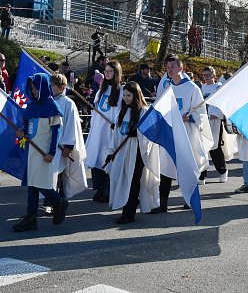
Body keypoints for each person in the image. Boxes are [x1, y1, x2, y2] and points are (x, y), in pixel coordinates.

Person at [151, 54, 212, 213]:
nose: (169, 70)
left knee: (187, 168)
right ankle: (162, 203)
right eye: (168, 67)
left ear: (181, 68)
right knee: (166, 167)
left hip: (186, 134)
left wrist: (190, 117)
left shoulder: (192, 88)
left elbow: (201, 112)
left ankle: (190, 200)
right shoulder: (167, 88)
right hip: (170, 133)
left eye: (173, 66)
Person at [12, 73, 67, 232]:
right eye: (32, 89)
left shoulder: (51, 106)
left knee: (39, 184)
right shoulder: (31, 106)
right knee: (32, 184)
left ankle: (57, 201)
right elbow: (28, 128)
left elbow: (56, 132)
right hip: (32, 151)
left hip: (43, 152)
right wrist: (22, 133)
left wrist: (51, 152)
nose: (34, 92)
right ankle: (31, 217)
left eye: (36, 89)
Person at [106, 81, 159, 224]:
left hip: (137, 153)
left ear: (136, 95)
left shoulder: (144, 112)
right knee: (121, 179)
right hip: (122, 152)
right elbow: (116, 134)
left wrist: (138, 133)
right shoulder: (122, 111)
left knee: (133, 181)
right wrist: (111, 151)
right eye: (124, 95)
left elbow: (150, 134)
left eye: (128, 95)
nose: (125, 98)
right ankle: (129, 205)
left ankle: (129, 214)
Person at [85, 61, 123, 203]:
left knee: (107, 159)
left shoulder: (121, 90)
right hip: (98, 130)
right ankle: (100, 189)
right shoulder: (102, 89)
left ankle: (108, 190)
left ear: (116, 72)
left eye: (110, 71)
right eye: (105, 71)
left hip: (111, 131)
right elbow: (97, 107)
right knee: (97, 159)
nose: (107, 73)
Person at [50, 74, 87, 200]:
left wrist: (69, 146)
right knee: (50, 174)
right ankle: (50, 200)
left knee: (60, 173)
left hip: (62, 145)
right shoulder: (49, 101)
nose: (50, 88)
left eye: (53, 85)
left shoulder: (68, 103)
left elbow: (72, 125)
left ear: (62, 87)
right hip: (50, 144)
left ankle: (58, 200)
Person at [200, 66, 230, 183]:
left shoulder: (218, 88)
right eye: (204, 75)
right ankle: (202, 175)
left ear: (213, 76)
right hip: (203, 121)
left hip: (214, 122)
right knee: (201, 149)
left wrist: (216, 114)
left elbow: (222, 103)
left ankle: (223, 170)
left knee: (214, 148)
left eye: (208, 75)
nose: (206, 78)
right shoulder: (201, 88)